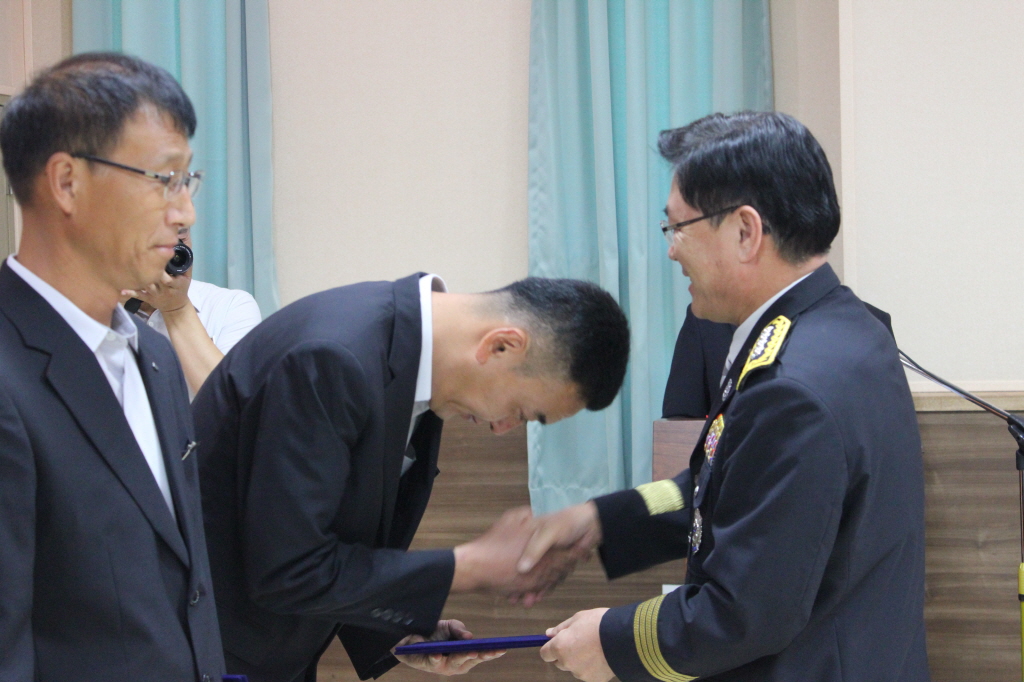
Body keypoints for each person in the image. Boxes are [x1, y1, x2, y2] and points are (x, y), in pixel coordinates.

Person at [521, 111, 928, 681]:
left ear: (745, 231)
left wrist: (610, 640)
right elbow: (728, 487)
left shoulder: (791, 388)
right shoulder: (847, 327)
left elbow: (744, 613)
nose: (671, 251)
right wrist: (603, 520)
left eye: (678, 228)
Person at [193, 274, 630, 681]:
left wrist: (397, 632)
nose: (502, 428)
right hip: (203, 656)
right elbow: (287, 569)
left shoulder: (415, 369)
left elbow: (335, 535)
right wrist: (469, 565)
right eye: (520, 411)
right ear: (501, 346)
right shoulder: (331, 356)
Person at [0, 53, 224, 681]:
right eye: (164, 179)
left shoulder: (154, 355)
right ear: (67, 182)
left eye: (188, 180)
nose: (185, 213)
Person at [123, 224, 262, 396]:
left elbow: (229, 400)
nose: (172, 253)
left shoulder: (231, 306)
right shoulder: (104, 306)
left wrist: (177, 309)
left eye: (181, 238)